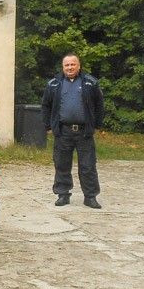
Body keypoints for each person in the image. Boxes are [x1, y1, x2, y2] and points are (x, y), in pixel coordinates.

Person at [40, 53, 105, 209]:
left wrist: (96, 125)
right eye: (67, 65)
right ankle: (63, 194)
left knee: (88, 166)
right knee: (61, 164)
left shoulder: (90, 83)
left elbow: (99, 105)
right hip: (63, 131)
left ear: (79, 66)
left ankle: (90, 197)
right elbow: (46, 105)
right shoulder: (54, 84)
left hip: (84, 132)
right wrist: (48, 126)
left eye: (73, 64)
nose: (70, 67)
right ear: (63, 67)